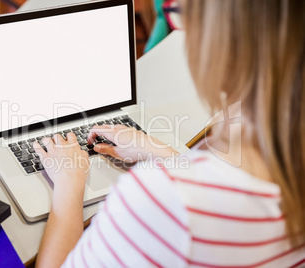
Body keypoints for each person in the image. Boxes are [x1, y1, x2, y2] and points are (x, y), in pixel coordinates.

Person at [33, 0, 305, 267]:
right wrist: (165, 154)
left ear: (224, 49)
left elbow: (189, 208)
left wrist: (69, 183)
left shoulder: (162, 199)